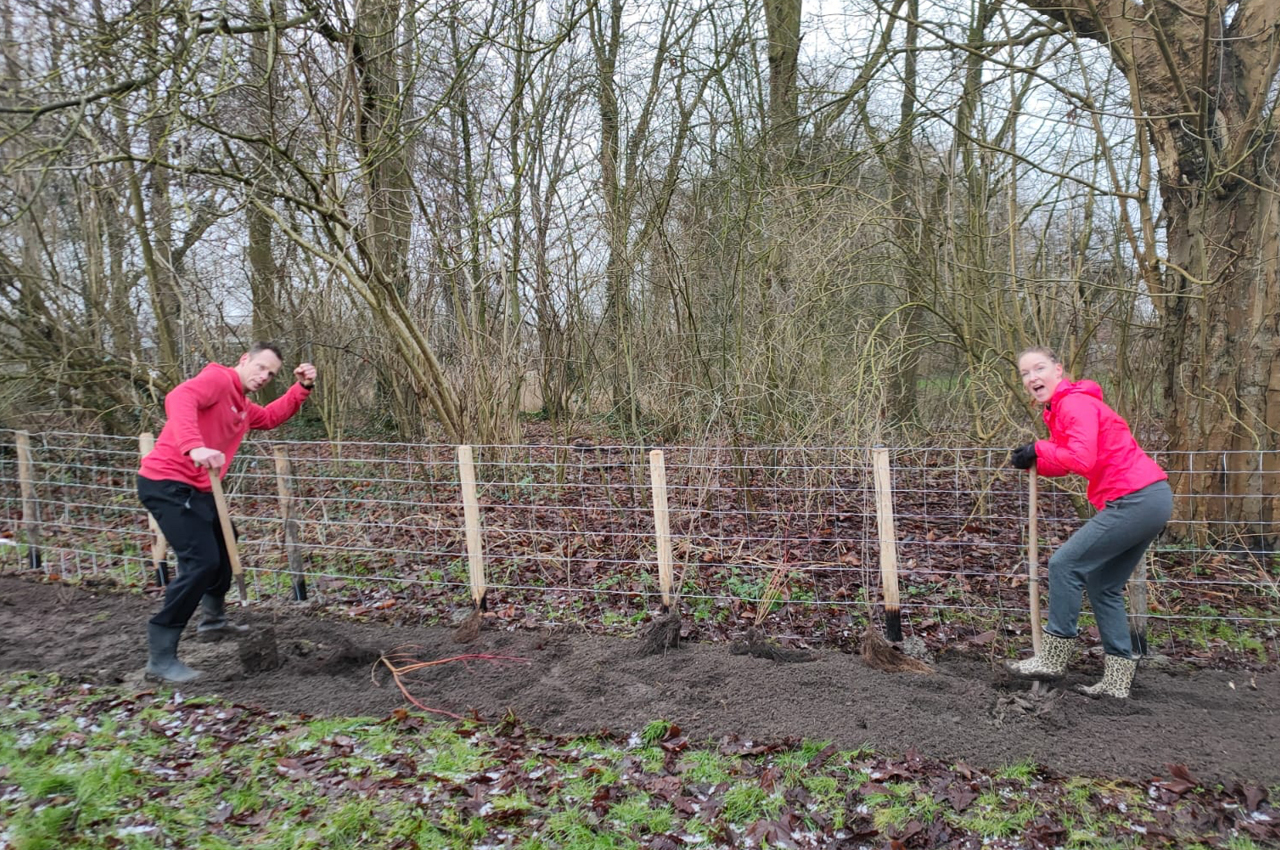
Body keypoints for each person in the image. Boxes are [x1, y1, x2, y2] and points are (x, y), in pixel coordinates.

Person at [138, 343, 316, 683]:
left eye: (271, 374)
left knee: (225, 544)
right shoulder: (218, 380)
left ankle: (213, 621)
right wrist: (194, 445)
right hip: (167, 484)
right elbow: (179, 398)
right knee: (201, 563)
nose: (264, 376)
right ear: (244, 359)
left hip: (199, 489)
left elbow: (270, 416)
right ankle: (160, 658)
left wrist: (301, 389)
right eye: (261, 367)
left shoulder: (242, 405)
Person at [1006, 346, 1172, 699]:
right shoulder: (1061, 408)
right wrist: (1035, 458)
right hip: (1149, 498)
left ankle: (1053, 656)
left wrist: (1040, 448)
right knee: (1103, 585)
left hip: (1135, 498)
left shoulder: (1073, 403)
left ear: (1058, 370)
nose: (1032, 377)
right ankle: (1116, 682)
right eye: (1025, 373)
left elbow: (1081, 459)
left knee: (1065, 564)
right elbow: (1067, 460)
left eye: (1039, 368)